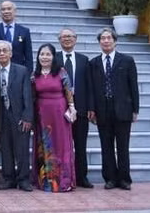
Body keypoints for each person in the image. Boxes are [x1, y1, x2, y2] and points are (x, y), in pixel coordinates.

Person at [88, 28, 139, 191]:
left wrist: (135, 109)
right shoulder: (93, 63)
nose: (106, 41)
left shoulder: (127, 60)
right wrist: (92, 109)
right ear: (99, 42)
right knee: (106, 146)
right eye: (102, 38)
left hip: (123, 109)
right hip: (103, 110)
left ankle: (124, 179)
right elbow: (91, 89)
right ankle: (110, 178)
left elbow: (133, 85)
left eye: (109, 38)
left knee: (123, 146)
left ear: (115, 41)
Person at [32, 43, 76, 192]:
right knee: (45, 146)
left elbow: (68, 91)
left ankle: (64, 181)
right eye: (42, 54)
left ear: (53, 56)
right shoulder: (34, 75)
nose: (44, 57)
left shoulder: (61, 72)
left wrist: (71, 107)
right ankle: (46, 181)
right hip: (42, 114)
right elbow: (32, 95)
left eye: (48, 54)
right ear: (38, 57)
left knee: (61, 145)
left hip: (59, 113)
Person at [55, 28, 93, 188]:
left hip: (81, 109)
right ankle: (61, 176)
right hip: (60, 108)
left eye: (70, 36)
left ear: (76, 39)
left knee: (80, 144)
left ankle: (82, 177)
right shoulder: (54, 59)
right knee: (60, 145)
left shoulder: (84, 60)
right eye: (63, 37)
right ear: (59, 40)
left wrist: (91, 107)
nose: (67, 39)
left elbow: (91, 85)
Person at [0, 40, 33, 192]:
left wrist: (27, 116)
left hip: (19, 115)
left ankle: (23, 179)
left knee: (21, 148)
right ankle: (8, 179)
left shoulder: (22, 70)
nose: (2, 53)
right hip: (1, 115)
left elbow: (28, 95)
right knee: (5, 149)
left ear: (11, 53)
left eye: (5, 50)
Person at [0, 1, 33, 68]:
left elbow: (28, 56)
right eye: (3, 9)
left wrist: (28, 73)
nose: (6, 11)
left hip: (18, 71)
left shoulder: (24, 31)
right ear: (0, 12)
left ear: (15, 11)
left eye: (9, 9)